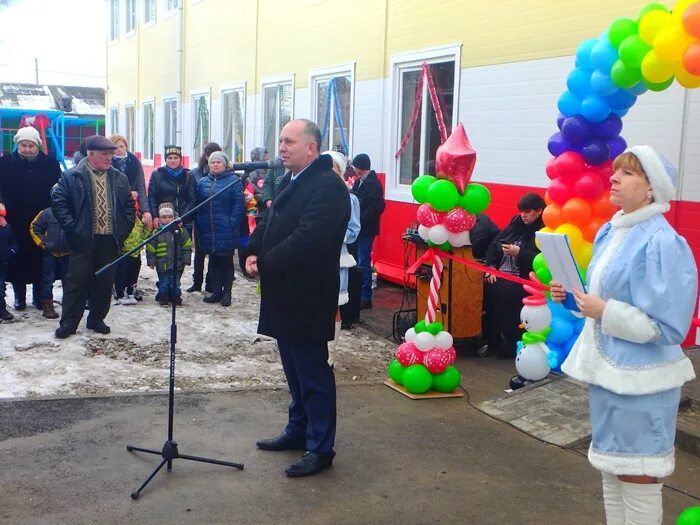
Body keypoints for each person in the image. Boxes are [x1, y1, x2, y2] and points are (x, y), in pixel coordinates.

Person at [549, 146, 697, 525]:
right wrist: (572, 298)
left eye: (628, 174)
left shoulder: (663, 242)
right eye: (615, 172)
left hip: (643, 382)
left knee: (638, 475)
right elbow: (602, 301)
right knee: (612, 469)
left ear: (652, 189)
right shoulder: (612, 232)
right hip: (611, 375)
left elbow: (669, 326)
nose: (613, 178)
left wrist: (605, 311)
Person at [245, 119, 350, 478]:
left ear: (311, 147)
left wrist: (267, 263)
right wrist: (253, 250)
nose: (282, 147)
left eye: (290, 141)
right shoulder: (292, 180)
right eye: (281, 141)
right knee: (293, 370)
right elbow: (270, 221)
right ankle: (298, 429)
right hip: (284, 293)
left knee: (313, 373)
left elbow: (309, 238)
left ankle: (321, 447)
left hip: (307, 295)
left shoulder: (327, 187)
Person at [51, 135, 135, 338]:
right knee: (77, 282)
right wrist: (73, 229)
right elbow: (58, 202)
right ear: (91, 154)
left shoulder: (119, 177)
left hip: (109, 240)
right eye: (105, 154)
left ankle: (97, 318)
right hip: (83, 239)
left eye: (111, 154)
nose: (109, 158)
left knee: (105, 282)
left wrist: (123, 229)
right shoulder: (72, 176)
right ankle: (69, 322)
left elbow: (129, 206)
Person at [0, 126, 61, 311]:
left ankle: (39, 296)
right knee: (17, 258)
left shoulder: (50, 164)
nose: (27, 149)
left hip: (41, 218)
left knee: (41, 256)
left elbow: (58, 189)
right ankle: (19, 296)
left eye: (31, 145)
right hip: (14, 217)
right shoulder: (4, 164)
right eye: (23, 145)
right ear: (17, 145)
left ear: (38, 146)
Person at [482, 192, 545, 359]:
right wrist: (491, 267)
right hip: (500, 272)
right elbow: (494, 244)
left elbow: (541, 260)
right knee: (478, 286)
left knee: (503, 292)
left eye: (527, 211)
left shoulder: (543, 230)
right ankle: (488, 337)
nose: (523, 215)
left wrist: (520, 252)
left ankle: (510, 341)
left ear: (539, 211)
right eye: (521, 211)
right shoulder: (516, 223)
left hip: (522, 278)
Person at [323, 150, 361, 361]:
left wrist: (330, 236)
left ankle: (331, 353)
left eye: (333, 169)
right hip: (312, 259)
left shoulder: (350, 198)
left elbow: (354, 230)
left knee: (333, 304)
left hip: (336, 258)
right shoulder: (312, 194)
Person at [194, 151, 244, 307]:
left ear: (225, 164)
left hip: (225, 228)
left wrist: (232, 222)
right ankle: (216, 291)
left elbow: (238, 204)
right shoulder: (203, 182)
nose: (215, 165)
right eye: (213, 162)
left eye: (219, 162)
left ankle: (227, 292)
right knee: (213, 260)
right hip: (208, 228)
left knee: (226, 260)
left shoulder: (233, 181)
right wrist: (200, 223)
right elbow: (198, 204)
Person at [350, 153, 386, 310]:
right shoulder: (359, 183)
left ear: (361, 167)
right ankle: (358, 294)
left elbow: (377, 207)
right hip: (359, 229)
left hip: (365, 230)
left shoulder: (373, 184)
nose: (354, 171)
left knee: (363, 262)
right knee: (358, 261)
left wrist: (359, 219)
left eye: (356, 167)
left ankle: (365, 296)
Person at [188, 142, 222, 293]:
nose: (214, 161)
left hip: (217, 217)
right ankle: (197, 282)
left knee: (214, 253)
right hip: (201, 217)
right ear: (206, 156)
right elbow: (192, 195)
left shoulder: (222, 173)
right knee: (200, 252)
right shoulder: (195, 173)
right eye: (211, 157)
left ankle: (210, 282)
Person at [29, 204, 71, 319]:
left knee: (69, 280)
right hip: (50, 253)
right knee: (47, 280)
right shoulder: (46, 213)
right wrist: (43, 243)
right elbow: (34, 227)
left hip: (68, 253)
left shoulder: (74, 212)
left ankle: (70, 306)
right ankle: (47, 307)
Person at [147, 202, 192, 306]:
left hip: (177, 263)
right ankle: (164, 297)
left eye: (169, 217)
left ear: (173, 217)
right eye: (163, 217)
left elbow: (186, 245)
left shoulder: (180, 231)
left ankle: (176, 297)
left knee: (176, 284)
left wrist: (186, 258)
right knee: (164, 283)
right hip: (162, 264)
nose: (167, 219)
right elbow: (150, 247)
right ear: (159, 218)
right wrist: (151, 261)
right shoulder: (156, 232)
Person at [109, 134, 152, 228]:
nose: (119, 150)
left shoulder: (135, 162)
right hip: (114, 207)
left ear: (126, 147)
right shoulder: (107, 163)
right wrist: (128, 193)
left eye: (122, 146)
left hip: (133, 206)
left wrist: (145, 210)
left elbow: (141, 187)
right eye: (115, 147)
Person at [114, 195, 151, 305]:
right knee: (121, 274)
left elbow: (144, 236)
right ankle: (120, 293)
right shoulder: (122, 220)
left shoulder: (140, 223)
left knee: (133, 274)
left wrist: (147, 228)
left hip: (136, 253)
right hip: (123, 253)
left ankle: (131, 292)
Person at [147, 145, 195, 228]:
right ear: (165, 159)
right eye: (169, 158)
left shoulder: (188, 175)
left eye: (176, 158)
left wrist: (182, 218)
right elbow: (152, 197)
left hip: (183, 220)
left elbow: (192, 199)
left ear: (180, 159)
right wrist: (155, 216)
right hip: (163, 219)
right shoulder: (157, 175)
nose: (173, 161)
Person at [0, 220, 18, 321]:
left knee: (0, 287)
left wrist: (11, 251)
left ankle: (1, 310)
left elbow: (14, 241)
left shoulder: (5, 226)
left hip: (2, 262)